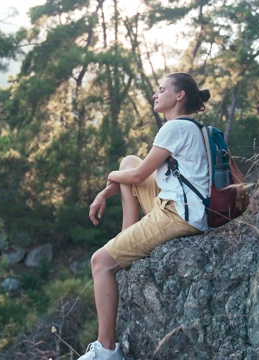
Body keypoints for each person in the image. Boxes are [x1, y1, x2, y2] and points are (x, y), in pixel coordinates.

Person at [79, 72, 211, 360]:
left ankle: (107, 350)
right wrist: (107, 191)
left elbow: (138, 176)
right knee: (129, 160)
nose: (156, 94)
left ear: (179, 96)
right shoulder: (191, 128)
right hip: (186, 206)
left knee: (100, 263)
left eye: (162, 89)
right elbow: (135, 171)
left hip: (177, 213)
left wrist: (108, 178)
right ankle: (126, 237)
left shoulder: (174, 128)